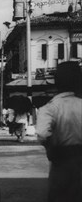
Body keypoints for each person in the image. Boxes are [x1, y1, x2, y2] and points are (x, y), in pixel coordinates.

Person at [36, 61, 82, 202]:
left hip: (62, 161)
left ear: (57, 82)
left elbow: (42, 133)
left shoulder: (49, 108)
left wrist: (51, 147)